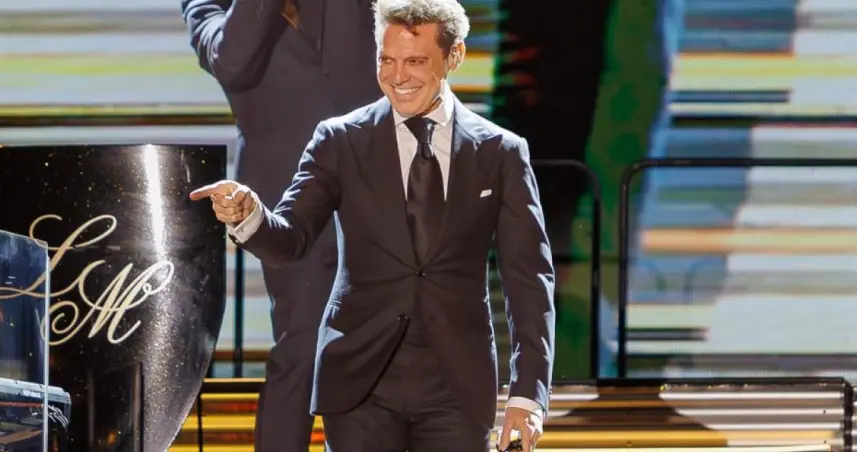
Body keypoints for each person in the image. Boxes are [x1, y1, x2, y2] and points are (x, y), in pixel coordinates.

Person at [190, 0, 556, 449]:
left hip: (457, 386)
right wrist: (250, 216)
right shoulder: (340, 139)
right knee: (296, 347)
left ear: (454, 57)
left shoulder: (500, 152)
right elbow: (291, 238)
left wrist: (528, 394)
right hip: (358, 383)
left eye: (415, 62)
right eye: (387, 60)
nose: (398, 76)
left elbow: (529, 280)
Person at [179, 0, 381, 449]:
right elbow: (232, 63)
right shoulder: (207, 5)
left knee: (387, 338)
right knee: (303, 343)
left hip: (379, 165)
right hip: (290, 190)